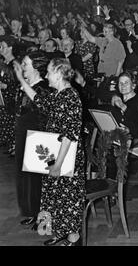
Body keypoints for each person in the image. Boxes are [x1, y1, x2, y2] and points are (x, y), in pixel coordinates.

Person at [13, 58, 86, 246]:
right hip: (55, 154)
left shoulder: (71, 97)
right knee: (57, 197)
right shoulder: (58, 94)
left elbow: (70, 135)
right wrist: (21, 80)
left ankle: (74, 239)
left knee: (68, 199)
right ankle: (62, 234)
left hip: (66, 158)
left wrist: (58, 164)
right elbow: (38, 99)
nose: (46, 76)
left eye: (49, 72)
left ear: (60, 73)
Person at [14, 52, 51, 228]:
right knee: (25, 175)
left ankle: (42, 215)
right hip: (24, 134)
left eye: (25, 64)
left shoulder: (42, 87)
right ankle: (31, 211)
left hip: (38, 136)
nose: (22, 68)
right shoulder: (27, 85)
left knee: (38, 178)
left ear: (36, 68)